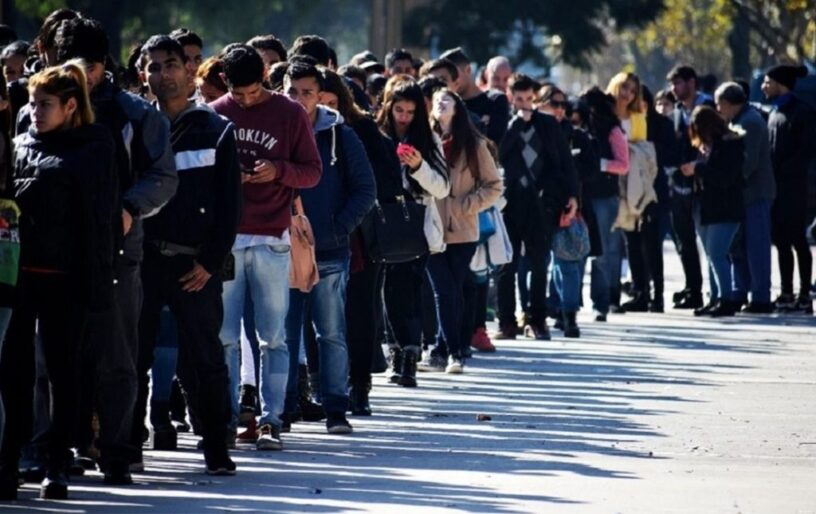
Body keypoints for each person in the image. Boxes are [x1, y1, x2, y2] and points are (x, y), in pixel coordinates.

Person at [53, 17, 178, 482]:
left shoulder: (135, 114)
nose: (74, 76)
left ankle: (117, 449)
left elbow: (163, 177)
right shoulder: (42, 106)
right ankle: (60, 447)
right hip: (53, 254)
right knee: (55, 358)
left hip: (117, 253)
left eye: (83, 67)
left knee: (117, 358)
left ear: (103, 66)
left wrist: (129, 207)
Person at [0, 61, 116, 500]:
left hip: (67, 279)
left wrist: (97, 282)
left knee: (64, 373)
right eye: (31, 103)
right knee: (14, 372)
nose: (35, 112)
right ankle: (9, 461)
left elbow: (100, 221)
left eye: (45, 104)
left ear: (71, 105)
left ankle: (57, 463)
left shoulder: (94, 146)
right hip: (18, 277)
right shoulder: (18, 144)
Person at [133, 34, 241, 475]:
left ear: (189, 69)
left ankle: (216, 446)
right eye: (154, 66)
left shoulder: (216, 130)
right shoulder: (134, 127)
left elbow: (230, 206)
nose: (164, 74)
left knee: (205, 358)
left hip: (195, 265)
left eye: (172, 64)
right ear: (145, 74)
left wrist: (209, 263)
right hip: (142, 263)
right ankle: (126, 447)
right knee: (133, 356)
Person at [211, 45, 322, 451]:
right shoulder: (215, 111)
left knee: (273, 336)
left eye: (253, 92)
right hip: (226, 240)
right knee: (224, 336)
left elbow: (312, 172)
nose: (245, 100)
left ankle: (273, 418)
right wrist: (228, 179)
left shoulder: (290, 113)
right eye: (238, 94)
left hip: (273, 237)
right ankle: (224, 420)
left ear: (266, 78)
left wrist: (279, 171)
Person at [281, 62, 375, 433]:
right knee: (282, 334)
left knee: (331, 332)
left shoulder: (340, 134)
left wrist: (339, 228)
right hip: (282, 249)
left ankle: (337, 407)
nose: (299, 99)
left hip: (331, 251)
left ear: (320, 95)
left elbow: (366, 190)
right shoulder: (278, 128)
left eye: (306, 92)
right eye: (291, 91)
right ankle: (282, 409)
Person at [318, 69, 404, 414]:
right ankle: (321, 385)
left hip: (360, 234)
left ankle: (360, 384)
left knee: (359, 309)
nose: (322, 108)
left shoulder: (361, 129)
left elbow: (383, 182)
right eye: (315, 100)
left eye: (329, 102)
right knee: (320, 318)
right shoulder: (299, 126)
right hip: (312, 233)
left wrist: (348, 210)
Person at [376, 76, 449, 386]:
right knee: (389, 290)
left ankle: (408, 355)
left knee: (409, 287)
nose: (404, 118)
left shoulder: (427, 138)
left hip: (415, 223)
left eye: (410, 112)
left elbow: (442, 188)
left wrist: (419, 166)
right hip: (382, 222)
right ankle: (399, 351)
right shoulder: (377, 134)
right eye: (399, 111)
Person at [497, 74, 578, 339]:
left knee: (539, 262)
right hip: (510, 202)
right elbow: (497, 153)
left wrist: (572, 196)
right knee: (506, 264)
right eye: (519, 99)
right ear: (510, 98)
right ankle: (507, 322)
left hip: (541, 201)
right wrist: (514, 125)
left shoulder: (547, 124)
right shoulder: (505, 124)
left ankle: (537, 319)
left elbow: (565, 162)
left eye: (529, 99)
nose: (524, 105)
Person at [427, 88, 503, 370]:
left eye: (446, 100)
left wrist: (467, 205)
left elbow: (494, 185)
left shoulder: (473, 143)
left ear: (457, 108)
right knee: (444, 289)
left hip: (463, 229)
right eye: (436, 101)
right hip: (431, 228)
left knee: (453, 288)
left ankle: (445, 350)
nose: (441, 103)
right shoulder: (426, 140)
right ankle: (451, 349)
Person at [715, 81, 776, 313]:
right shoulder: (738, 120)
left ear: (730, 103)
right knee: (737, 246)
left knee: (756, 245)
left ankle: (761, 296)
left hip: (756, 193)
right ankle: (739, 290)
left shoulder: (750, 122)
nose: (718, 109)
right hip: (743, 194)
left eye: (720, 104)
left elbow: (746, 163)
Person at [680, 106, 744, 317]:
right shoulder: (705, 147)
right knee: (710, 254)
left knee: (717, 253)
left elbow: (726, 178)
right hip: (705, 206)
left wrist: (698, 168)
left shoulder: (729, 145)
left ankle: (727, 298)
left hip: (725, 208)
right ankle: (715, 297)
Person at [607, 72, 661, 313]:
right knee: (613, 242)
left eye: (632, 90)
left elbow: (642, 150)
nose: (627, 93)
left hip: (633, 184)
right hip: (610, 181)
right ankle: (610, 294)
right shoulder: (604, 114)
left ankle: (643, 291)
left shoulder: (639, 117)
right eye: (624, 87)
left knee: (635, 239)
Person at [762, 64, 815, 314]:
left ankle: (805, 294)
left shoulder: (802, 112)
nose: (763, 87)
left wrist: (782, 170)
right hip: (776, 190)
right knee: (781, 241)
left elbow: (806, 151)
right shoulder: (774, 113)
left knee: (798, 240)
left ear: (780, 84)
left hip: (796, 188)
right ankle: (786, 292)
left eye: (767, 82)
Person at [580, 87, 629, 322]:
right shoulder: (578, 128)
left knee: (603, 251)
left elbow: (623, 164)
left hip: (604, 197)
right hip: (581, 194)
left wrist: (599, 164)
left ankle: (603, 301)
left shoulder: (612, 130)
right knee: (575, 248)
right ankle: (569, 302)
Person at [666, 65, 711, 309]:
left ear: (692, 82)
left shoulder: (708, 107)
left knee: (709, 240)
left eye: (678, 84)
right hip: (680, 184)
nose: (674, 89)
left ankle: (718, 291)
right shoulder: (677, 112)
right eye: (672, 84)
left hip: (704, 183)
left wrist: (699, 165)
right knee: (683, 239)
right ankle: (693, 288)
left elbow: (714, 144)